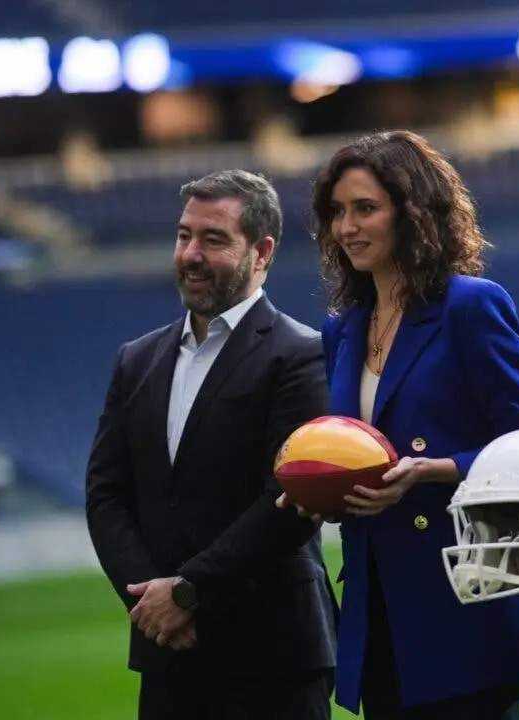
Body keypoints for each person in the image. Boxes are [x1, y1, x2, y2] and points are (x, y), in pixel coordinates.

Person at [282, 129, 519, 720]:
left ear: (413, 214)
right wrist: (321, 491)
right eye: (336, 213)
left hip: (465, 602)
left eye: (365, 209)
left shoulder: (471, 305)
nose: (345, 227)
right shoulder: (343, 328)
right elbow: (357, 450)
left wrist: (437, 470)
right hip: (378, 609)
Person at [85, 169, 338, 720]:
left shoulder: (300, 355)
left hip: (274, 653)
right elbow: (106, 494)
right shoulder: (136, 360)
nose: (191, 254)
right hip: (169, 651)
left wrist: (189, 592)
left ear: (262, 251)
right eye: (184, 236)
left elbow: (292, 501)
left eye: (214, 239)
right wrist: (149, 602)